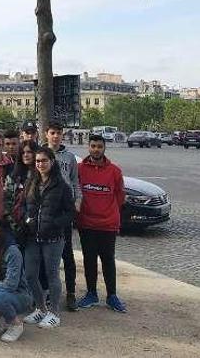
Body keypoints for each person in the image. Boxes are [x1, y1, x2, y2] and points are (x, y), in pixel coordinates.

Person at [22, 147, 74, 329]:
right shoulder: (31, 183)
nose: (40, 164)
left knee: (52, 275)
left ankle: (54, 313)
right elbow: (25, 206)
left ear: (52, 162)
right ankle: (40, 308)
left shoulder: (62, 186)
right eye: (37, 161)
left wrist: (55, 222)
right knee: (30, 274)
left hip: (53, 238)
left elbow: (70, 213)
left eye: (44, 160)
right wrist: (26, 220)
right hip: (32, 236)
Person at [76, 134, 127, 313]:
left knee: (108, 260)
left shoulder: (114, 171)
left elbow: (120, 196)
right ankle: (91, 293)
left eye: (99, 146)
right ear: (88, 148)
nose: (96, 149)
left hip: (107, 224)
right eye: (93, 146)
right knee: (89, 260)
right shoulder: (80, 169)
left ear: (104, 148)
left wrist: (109, 212)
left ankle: (112, 295)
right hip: (86, 223)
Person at [45, 122, 81, 311]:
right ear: (46, 135)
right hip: (46, 208)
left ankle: (71, 293)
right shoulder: (40, 155)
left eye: (58, 133)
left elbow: (75, 181)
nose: (56, 136)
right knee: (47, 255)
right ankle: (47, 291)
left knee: (67, 254)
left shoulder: (69, 157)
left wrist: (77, 202)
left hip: (64, 209)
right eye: (52, 133)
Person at [3, 140, 41, 242]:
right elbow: (6, 202)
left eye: (29, 152)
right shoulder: (13, 176)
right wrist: (14, 225)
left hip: (37, 225)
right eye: (23, 153)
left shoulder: (42, 176)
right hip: (16, 226)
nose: (26, 155)